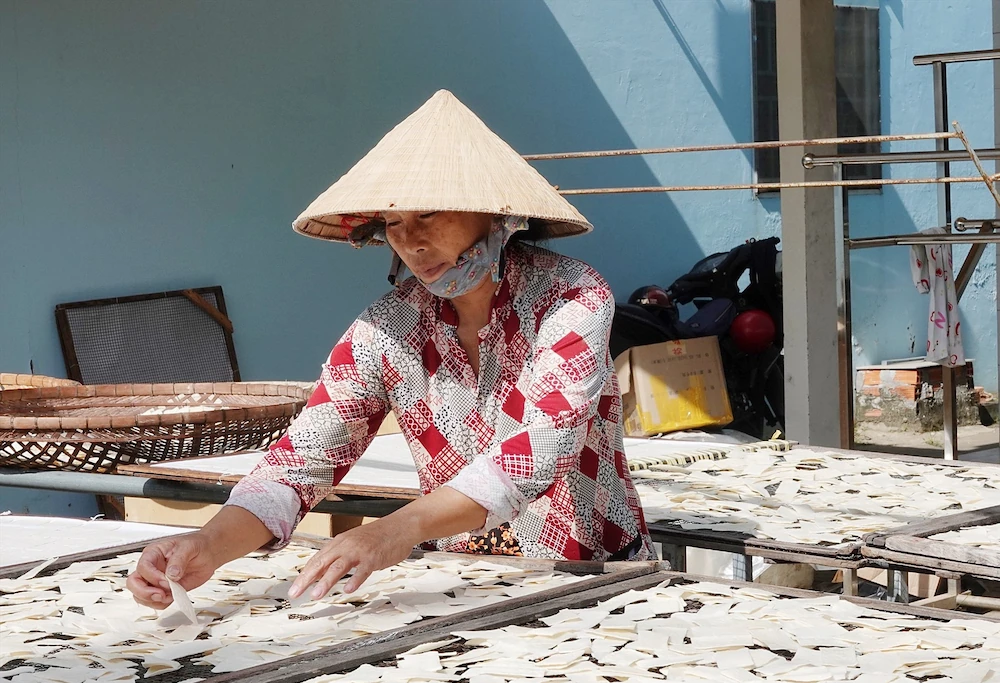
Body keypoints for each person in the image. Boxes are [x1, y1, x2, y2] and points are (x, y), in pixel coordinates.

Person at [127, 90, 654, 609]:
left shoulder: (572, 296)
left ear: (493, 214)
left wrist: (394, 530)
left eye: (427, 216)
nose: (410, 242)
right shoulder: (387, 327)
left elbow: (536, 453)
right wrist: (208, 545)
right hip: (464, 589)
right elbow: (303, 458)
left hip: (595, 578)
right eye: (395, 224)